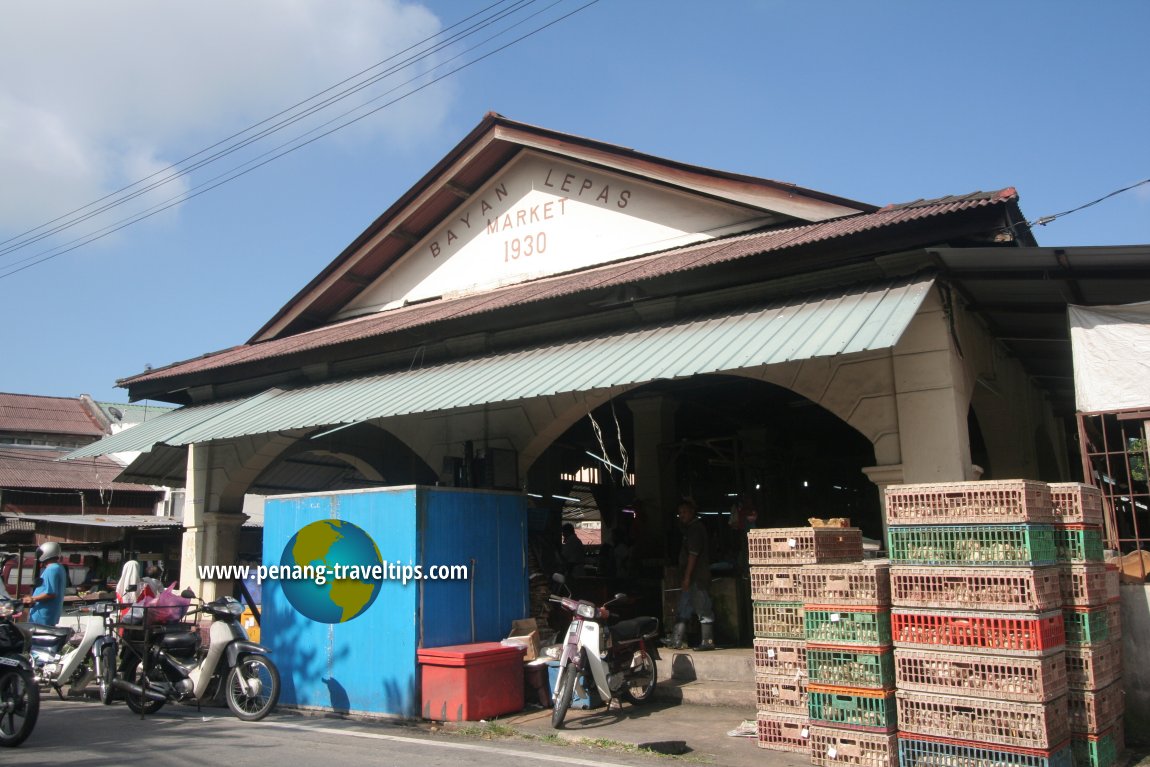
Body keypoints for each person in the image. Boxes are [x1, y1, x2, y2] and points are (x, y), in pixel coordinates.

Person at [670, 499, 715, 651]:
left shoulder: (696, 529)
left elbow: (693, 555)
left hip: (697, 577)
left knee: (703, 608)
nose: (681, 515)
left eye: (684, 512)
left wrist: (688, 577)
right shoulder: (689, 529)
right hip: (690, 578)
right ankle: (676, 640)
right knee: (684, 608)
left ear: (691, 512)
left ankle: (707, 641)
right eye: (680, 513)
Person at [24, 541, 67, 626]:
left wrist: (33, 599)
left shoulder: (52, 569)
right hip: (48, 613)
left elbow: (50, 593)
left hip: (43, 614)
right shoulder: (59, 567)